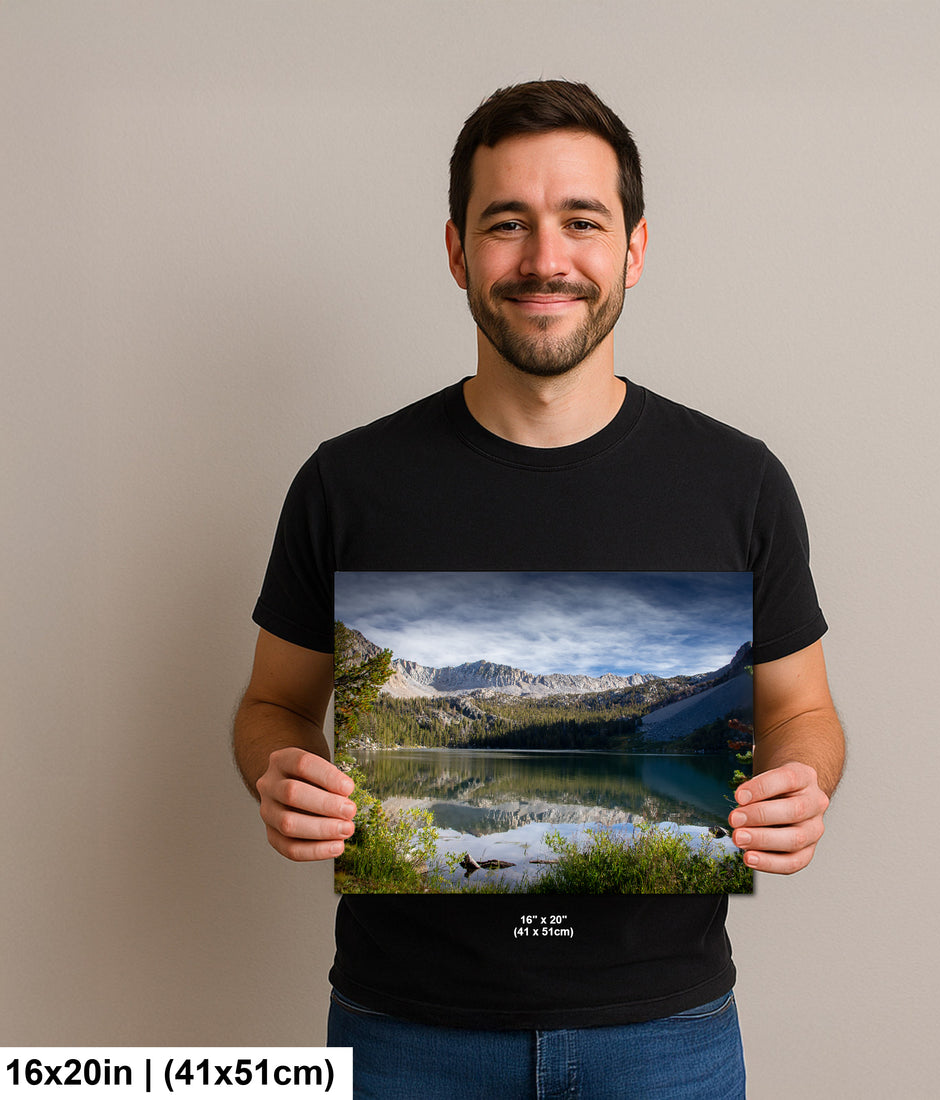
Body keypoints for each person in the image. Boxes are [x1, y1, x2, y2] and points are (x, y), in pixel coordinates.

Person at [233, 79, 845, 1099]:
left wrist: (800, 782)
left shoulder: (738, 481)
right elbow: (270, 704)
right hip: (404, 1035)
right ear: (455, 250)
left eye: (580, 221)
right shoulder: (347, 481)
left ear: (633, 250)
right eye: (506, 223)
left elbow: (804, 712)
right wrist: (281, 769)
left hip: (666, 1033)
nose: (544, 257)